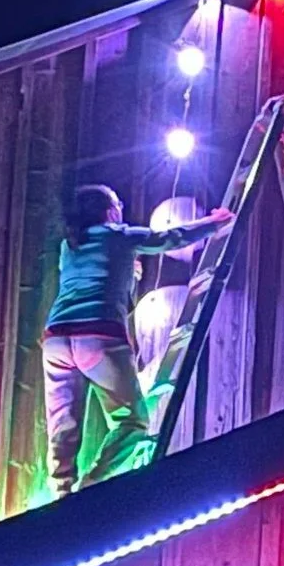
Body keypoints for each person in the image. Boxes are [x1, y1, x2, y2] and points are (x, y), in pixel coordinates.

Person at [44, 184, 231, 496]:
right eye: (118, 203)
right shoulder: (119, 235)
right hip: (98, 335)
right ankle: (92, 486)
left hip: (57, 338)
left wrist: (129, 274)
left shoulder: (70, 245)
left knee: (63, 422)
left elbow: (94, 282)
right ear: (109, 210)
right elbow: (172, 237)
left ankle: (61, 491)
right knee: (132, 422)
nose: (121, 208)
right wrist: (215, 222)